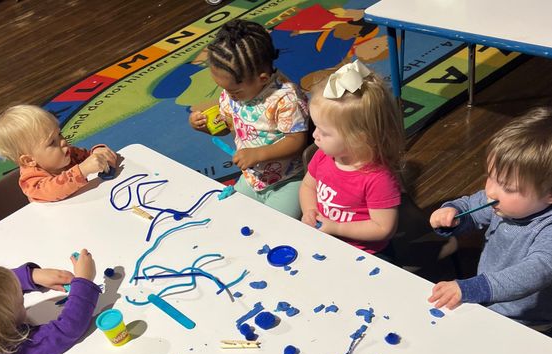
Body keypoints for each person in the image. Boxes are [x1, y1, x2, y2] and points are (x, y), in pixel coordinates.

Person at [428, 107, 552, 332]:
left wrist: (474, 288)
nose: (491, 191)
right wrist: (452, 214)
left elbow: (537, 271)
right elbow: (470, 208)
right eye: (491, 177)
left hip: (529, 323)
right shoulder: (501, 203)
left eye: (507, 187)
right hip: (489, 303)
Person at [189, 19, 309, 219]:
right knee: (232, 217)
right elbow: (229, 126)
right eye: (224, 88)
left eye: (233, 90)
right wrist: (205, 126)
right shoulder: (233, 95)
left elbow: (296, 141)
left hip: (289, 180)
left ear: (262, 78)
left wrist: (258, 154)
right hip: (252, 178)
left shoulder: (285, 98)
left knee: (277, 227)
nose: (227, 94)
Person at [299, 60, 404, 255]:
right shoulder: (323, 155)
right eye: (316, 127)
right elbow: (307, 186)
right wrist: (310, 210)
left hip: (364, 254)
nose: (315, 136)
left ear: (357, 139)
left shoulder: (377, 178)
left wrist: (336, 228)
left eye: (324, 132)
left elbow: (383, 227)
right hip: (323, 239)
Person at [0, 104, 117, 202]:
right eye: (52, 142)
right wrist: (83, 170)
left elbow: (90, 158)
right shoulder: (31, 179)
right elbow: (53, 190)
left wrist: (98, 152)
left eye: (59, 134)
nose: (62, 142)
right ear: (29, 161)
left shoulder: (67, 154)